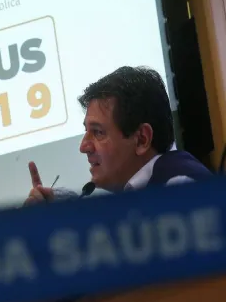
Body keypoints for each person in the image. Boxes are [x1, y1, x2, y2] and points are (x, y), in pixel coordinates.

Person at [26, 66, 213, 204]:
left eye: (98, 132)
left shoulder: (181, 187)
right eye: (86, 131)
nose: (83, 147)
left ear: (142, 139)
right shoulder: (146, 191)